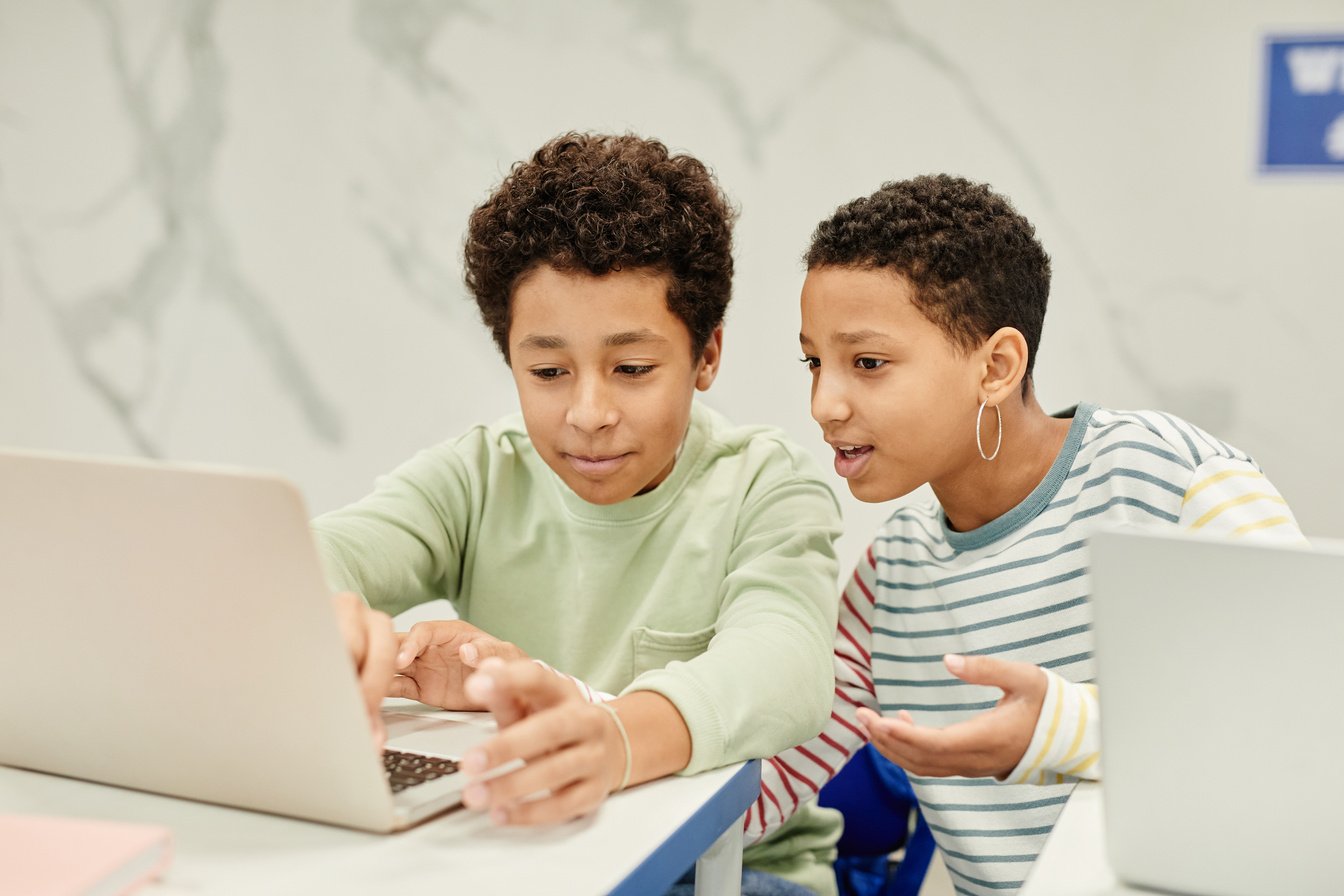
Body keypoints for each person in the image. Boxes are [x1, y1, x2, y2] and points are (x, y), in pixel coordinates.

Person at [743, 174, 1303, 896]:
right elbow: (769, 783)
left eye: (868, 363)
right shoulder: (891, 573)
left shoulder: (1176, 480)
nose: (824, 403)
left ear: (997, 367)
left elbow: (1306, 720)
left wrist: (1059, 729)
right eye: (814, 361)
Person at [317, 132, 844, 892]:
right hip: (541, 855)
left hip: (730, 870)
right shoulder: (478, 474)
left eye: (632, 369)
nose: (588, 412)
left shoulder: (766, 485)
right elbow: (324, 552)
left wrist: (615, 740)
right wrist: (325, 616)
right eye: (547, 371)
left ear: (707, 356)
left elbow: (786, 665)